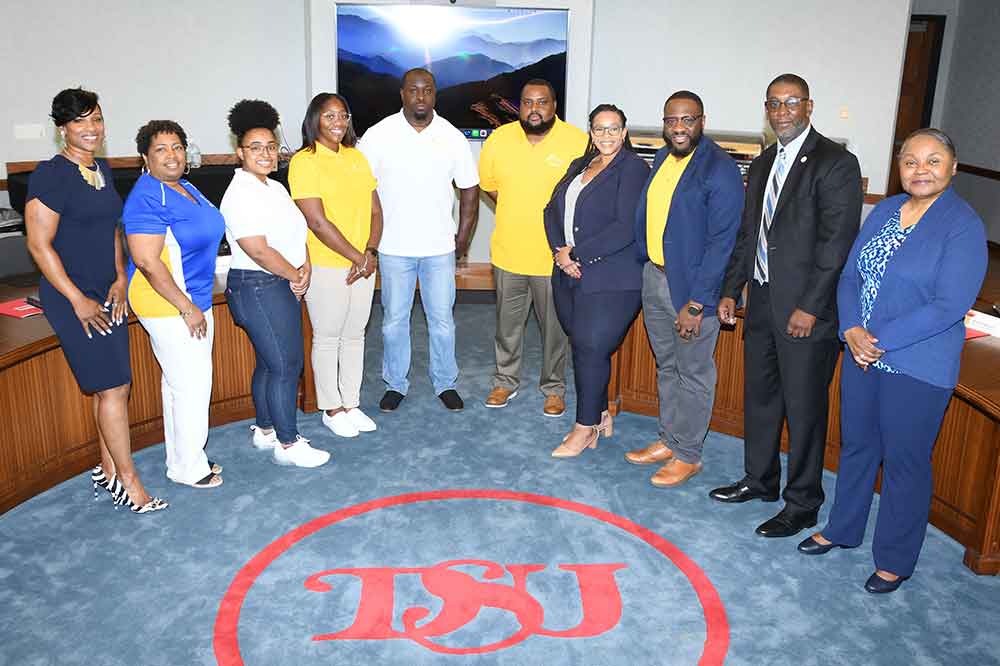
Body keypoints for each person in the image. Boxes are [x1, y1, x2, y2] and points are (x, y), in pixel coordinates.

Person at [797, 129, 988, 593]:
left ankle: (896, 559)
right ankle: (843, 529)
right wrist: (851, 329)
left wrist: (874, 340)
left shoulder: (963, 226)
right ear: (898, 166)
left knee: (905, 462)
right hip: (862, 354)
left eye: (933, 160)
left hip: (918, 365)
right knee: (858, 448)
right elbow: (850, 276)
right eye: (910, 161)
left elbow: (948, 304)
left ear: (953, 166)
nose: (920, 170)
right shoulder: (883, 211)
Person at [710, 74, 862, 537]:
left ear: (809, 106)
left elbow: (836, 244)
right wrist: (730, 289)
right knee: (761, 399)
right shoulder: (762, 164)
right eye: (774, 103)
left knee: (804, 409)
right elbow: (748, 234)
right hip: (760, 303)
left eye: (791, 102)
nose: (782, 111)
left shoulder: (837, 163)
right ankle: (760, 481)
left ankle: (803, 502)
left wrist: (811, 307)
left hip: (805, 313)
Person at [24, 88, 166, 514]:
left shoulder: (100, 169)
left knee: (115, 387)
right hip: (72, 296)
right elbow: (38, 244)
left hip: (108, 291)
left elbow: (112, 232)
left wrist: (122, 277)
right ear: (62, 128)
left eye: (97, 119)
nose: (91, 129)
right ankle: (129, 482)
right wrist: (76, 300)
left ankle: (107, 471)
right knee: (113, 387)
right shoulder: (51, 174)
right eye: (81, 121)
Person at [627, 90, 744, 487]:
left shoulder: (720, 169)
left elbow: (722, 242)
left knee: (693, 372)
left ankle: (689, 454)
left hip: (692, 291)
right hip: (656, 277)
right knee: (667, 366)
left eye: (687, 120)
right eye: (671, 120)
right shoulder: (663, 158)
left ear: (702, 121)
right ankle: (669, 439)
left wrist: (697, 303)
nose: (678, 128)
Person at [358, 68, 479, 413]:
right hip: (394, 248)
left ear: (435, 95)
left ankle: (445, 383)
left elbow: (470, 190)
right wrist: (371, 238)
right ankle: (395, 384)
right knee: (394, 321)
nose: (421, 97)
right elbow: (362, 188)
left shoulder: (452, 136)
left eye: (427, 91)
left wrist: (463, 239)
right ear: (402, 94)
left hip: (440, 248)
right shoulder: (378, 135)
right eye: (414, 91)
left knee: (442, 320)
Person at [220, 99, 330, 468]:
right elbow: (258, 249)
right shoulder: (240, 193)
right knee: (286, 365)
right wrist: (295, 274)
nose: (266, 154)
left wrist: (306, 266)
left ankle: (265, 430)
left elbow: (298, 234)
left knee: (269, 364)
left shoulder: (273, 187)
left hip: (278, 282)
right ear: (240, 152)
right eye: (256, 147)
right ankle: (288, 442)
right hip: (257, 285)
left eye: (271, 147)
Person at [124, 120, 226, 489]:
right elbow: (149, 262)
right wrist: (186, 307)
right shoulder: (147, 197)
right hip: (167, 303)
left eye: (177, 147)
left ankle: (182, 457)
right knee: (192, 384)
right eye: (161, 149)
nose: (172, 155)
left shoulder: (185, 187)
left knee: (179, 384)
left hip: (191, 295)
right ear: (144, 158)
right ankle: (189, 467)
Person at [543, 103, 650, 457]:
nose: (606, 135)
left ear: (624, 131)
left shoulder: (632, 168)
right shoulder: (580, 164)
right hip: (570, 273)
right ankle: (601, 413)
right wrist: (561, 251)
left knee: (590, 347)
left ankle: (584, 427)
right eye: (599, 128)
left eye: (613, 128)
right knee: (585, 349)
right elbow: (550, 209)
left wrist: (577, 254)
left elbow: (624, 227)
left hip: (613, 278)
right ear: (590, 132)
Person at [478, 79, 588, 416]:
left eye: (542, 102)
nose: (534, 109)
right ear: (519, 106)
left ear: (554, 105)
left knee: (555, 331)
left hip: (554, 258)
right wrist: (517, 209)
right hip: (509, 253)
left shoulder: (577, 141)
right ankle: (505, 381)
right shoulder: (499, 139)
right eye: (527, 102)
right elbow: (490, 187)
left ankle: (553, 388)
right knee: (506, 327)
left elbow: (585, 193)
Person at [290, 93, 383, 438]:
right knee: (328, 337)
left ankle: (351, 403)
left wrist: (370, 252)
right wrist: (358, 257)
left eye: (343, 115)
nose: (338, 122)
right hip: (330, 265)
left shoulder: (357, 157)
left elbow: (376, 210)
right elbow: (316, 221)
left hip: (364, 264)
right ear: (314, 119)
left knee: (355, 335)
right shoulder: (305, 161)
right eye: (329, 116)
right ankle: (332, 407)